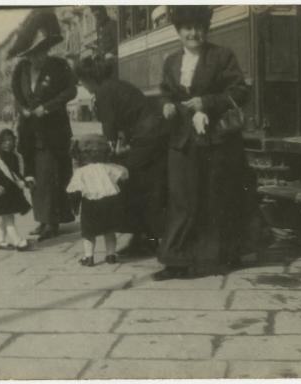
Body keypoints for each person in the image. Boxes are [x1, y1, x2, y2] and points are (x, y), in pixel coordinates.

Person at [156, 6, 250, 280]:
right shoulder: (171, 61)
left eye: (198, 27)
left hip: (215, 138)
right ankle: (176, 261)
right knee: (181, 198)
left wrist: (206, 102)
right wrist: (166, 106)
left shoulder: (221, 56)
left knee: (215, 196)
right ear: (178, 31)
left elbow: (240, 91)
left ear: (206, 29)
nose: (193, 33)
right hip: (182, 139)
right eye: (187, 28)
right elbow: (165, 92)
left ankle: (219, 258)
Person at [75, 57, 168, 256]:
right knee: (142, 187)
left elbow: (109, 130)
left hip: (145, 139)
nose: (82, 85)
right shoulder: (114, 85)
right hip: (151, 137)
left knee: (126, 183)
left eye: (82, 81)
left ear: (89, 78)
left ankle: (143, 240)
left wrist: (105, 158)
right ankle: (146, 238)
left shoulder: (103, 92)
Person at [9, 10, 77, 241]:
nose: (40, 57)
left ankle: (52, 221)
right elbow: (17, 95)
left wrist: (47, 107)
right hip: (29, 132)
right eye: (35, 54)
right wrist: (23, 109)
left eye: (43, 51)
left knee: (50, 175)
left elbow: (71, 90)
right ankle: (42, 220)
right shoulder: (21, 70)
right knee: (33, 176)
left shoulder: (58, 66)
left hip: (53, 130)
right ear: (27, 55)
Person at [67, 134, 129, 266]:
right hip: (110, 203)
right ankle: (111, 255)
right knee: (109, 230)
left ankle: (89, 257)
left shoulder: (81, 172)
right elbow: (124, 176)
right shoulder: (111, 167)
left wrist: (75, 206)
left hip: (90, 204)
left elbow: (74, 191)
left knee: (89, 233)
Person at [0, 129, 31, 251]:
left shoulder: (15, 156)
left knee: (6, 217)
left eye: (10, 140)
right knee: (9, 217)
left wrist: (26, 181)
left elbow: (18, 172)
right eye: (4, 141)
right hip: (0, 193)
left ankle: (0, 240)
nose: (8, 143)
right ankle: (18, 241)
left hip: (10, 192)